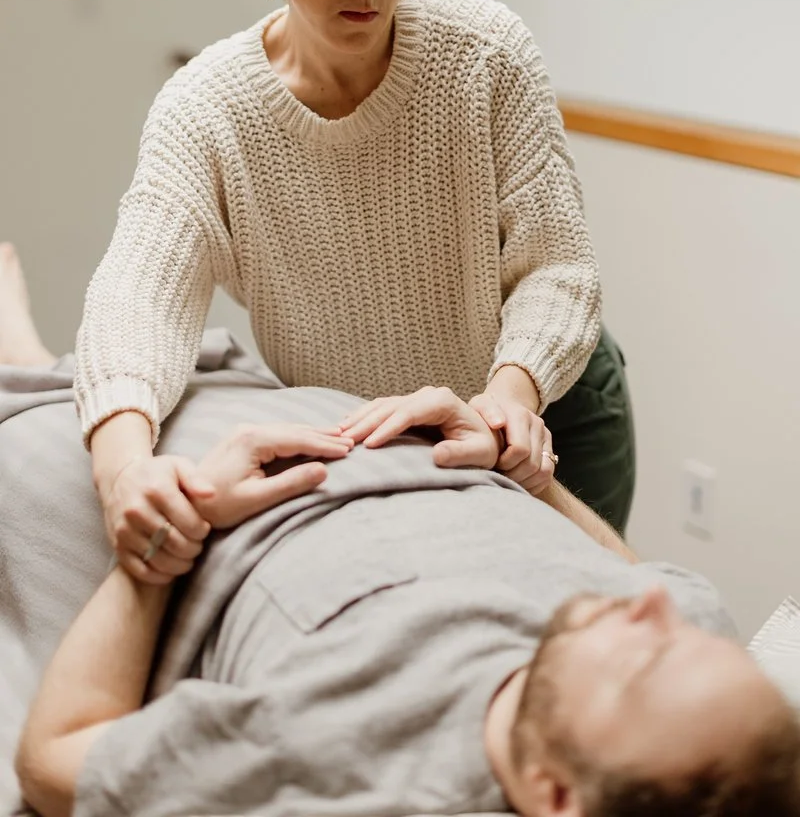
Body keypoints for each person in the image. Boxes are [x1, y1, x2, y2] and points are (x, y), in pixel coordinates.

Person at [75, 0, 634, 592]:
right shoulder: (206, 109)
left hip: (543, 410)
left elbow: (557, 266)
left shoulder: (485, 52)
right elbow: (138, 301)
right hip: (370, 442)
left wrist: (514, 396)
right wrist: (123, 468)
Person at [5, 248, 797, 817]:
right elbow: (636, 572)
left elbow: (53, 764)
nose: (651, 602)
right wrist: (526, 472)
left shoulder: (339, 769)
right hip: (371, 432)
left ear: (553, 794)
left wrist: (165, 542)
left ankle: (23, 360)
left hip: (216, 497)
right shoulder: (703, 671)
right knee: (135, 372)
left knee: (43, 423)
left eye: (643, 661)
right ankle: (33, 355)